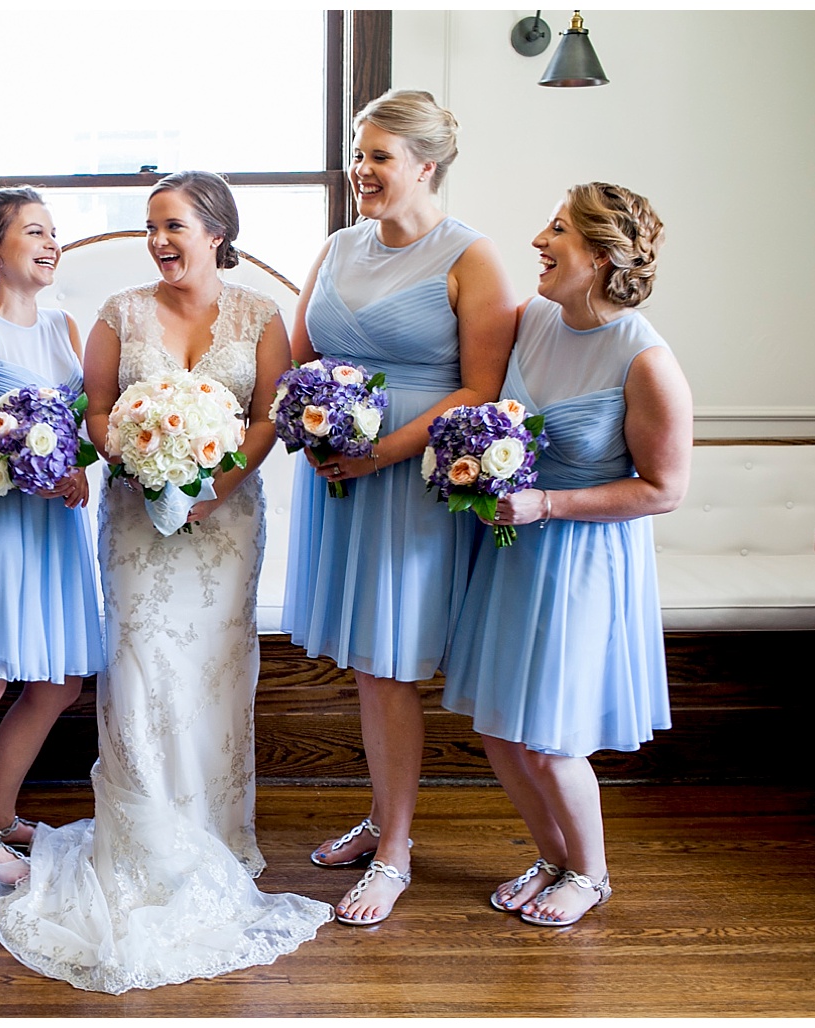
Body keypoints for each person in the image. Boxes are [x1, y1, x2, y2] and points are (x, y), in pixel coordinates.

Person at [0, 171, 332, 993]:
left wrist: (214, 484)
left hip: (228, 524)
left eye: (172, 224)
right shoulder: (119, 314)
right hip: (139, 521)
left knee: (216, 674)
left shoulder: (260, 317)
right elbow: (99, 413)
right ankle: (141, 840)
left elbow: (267, 421)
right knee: (140, 673)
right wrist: (143, 463)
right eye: (150, 226)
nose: (158, 241)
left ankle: (216, 830)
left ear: (216, 230)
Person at [280, 88, 516, 926]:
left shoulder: (472, 257)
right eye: (357, 151)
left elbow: (481, 388)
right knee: (364, 663)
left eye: (378, 156)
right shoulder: (338, 246)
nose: (361, 169)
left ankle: (395, 852)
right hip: (339, 478)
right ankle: (381, 816)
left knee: (389, 666)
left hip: (412, 480)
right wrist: (312, 436)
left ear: (425, 165)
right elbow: (303, 358)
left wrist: (380, 449)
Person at [443, 183, 690, 927]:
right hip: (514, 550)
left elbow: (664, 489)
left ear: (603, 257)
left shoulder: (644, 360)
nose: (537, 243)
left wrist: (548, 503)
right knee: (497, 726)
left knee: (550, 739)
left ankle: (592, 873)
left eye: (556, 231)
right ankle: (550, 856)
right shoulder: (532, 321)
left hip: (582, 558)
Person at [0, 188, 103, 881]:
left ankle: (1, 815)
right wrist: (14, 473)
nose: (51, 242)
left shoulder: (64, 326)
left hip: (54, 527)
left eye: (54, 232)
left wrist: (76, 471)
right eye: (34, 232)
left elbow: (82, 424)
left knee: (61, 680)